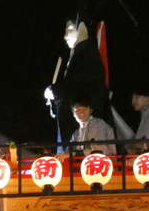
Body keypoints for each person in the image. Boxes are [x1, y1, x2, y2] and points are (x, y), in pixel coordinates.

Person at [44, 17, 108, 146]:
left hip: (85, 123)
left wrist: (55, 90)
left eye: (69, 30)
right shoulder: (78, 53)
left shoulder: (87, 51)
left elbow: (82, 83)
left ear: (80, 28)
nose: (65, 35)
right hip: (73, 121)